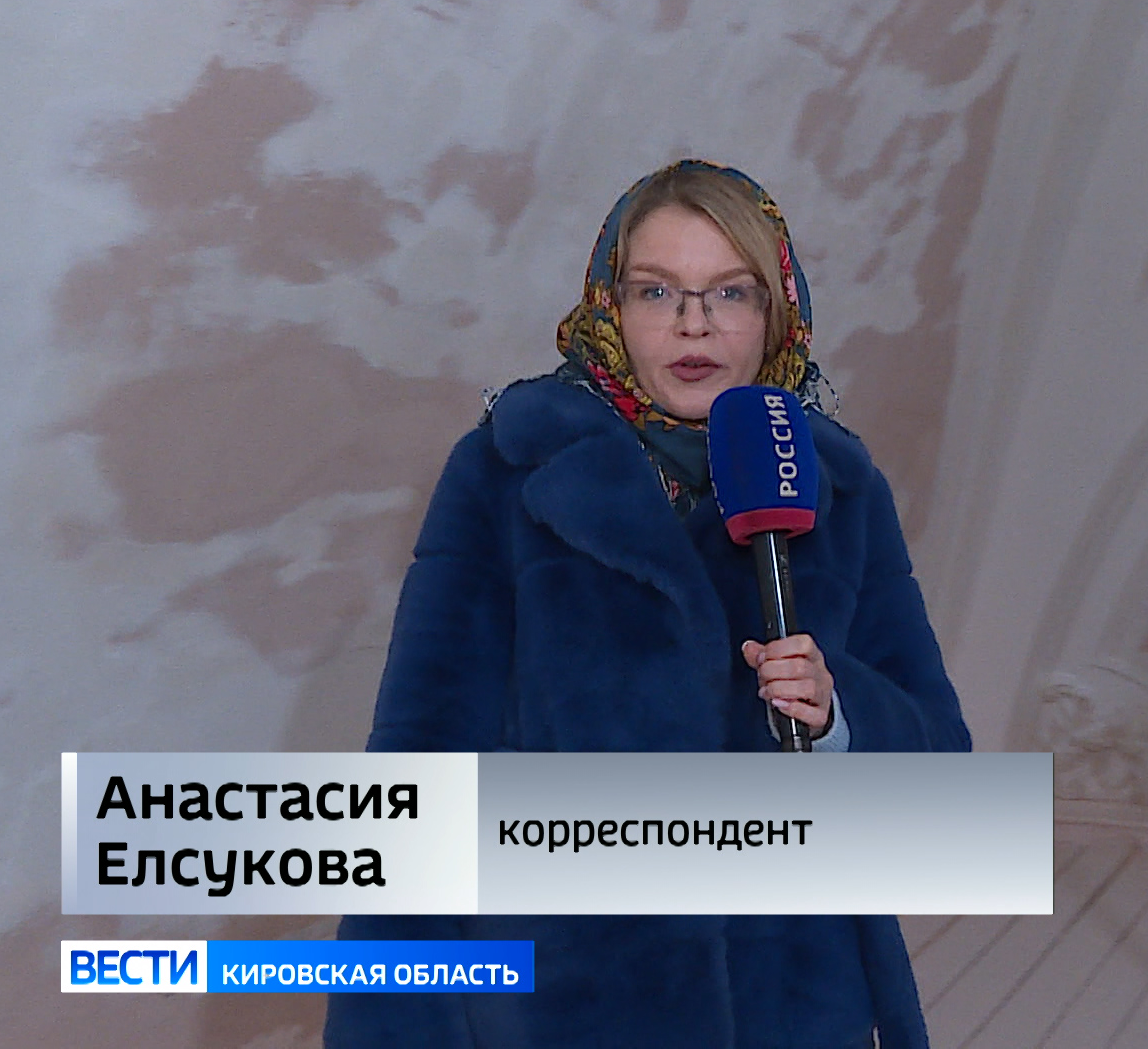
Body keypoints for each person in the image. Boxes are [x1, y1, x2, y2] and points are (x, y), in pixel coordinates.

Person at [323, 160, 971, 1049]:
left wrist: (836, 716)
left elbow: (946, 778)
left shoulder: (840, 488)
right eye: (657, 290)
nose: (692, 323)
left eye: (730, 292)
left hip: (791, 1000)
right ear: (611, 305)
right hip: (564, 1001)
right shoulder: (505, 474)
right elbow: (420, 769)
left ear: (776, 310)